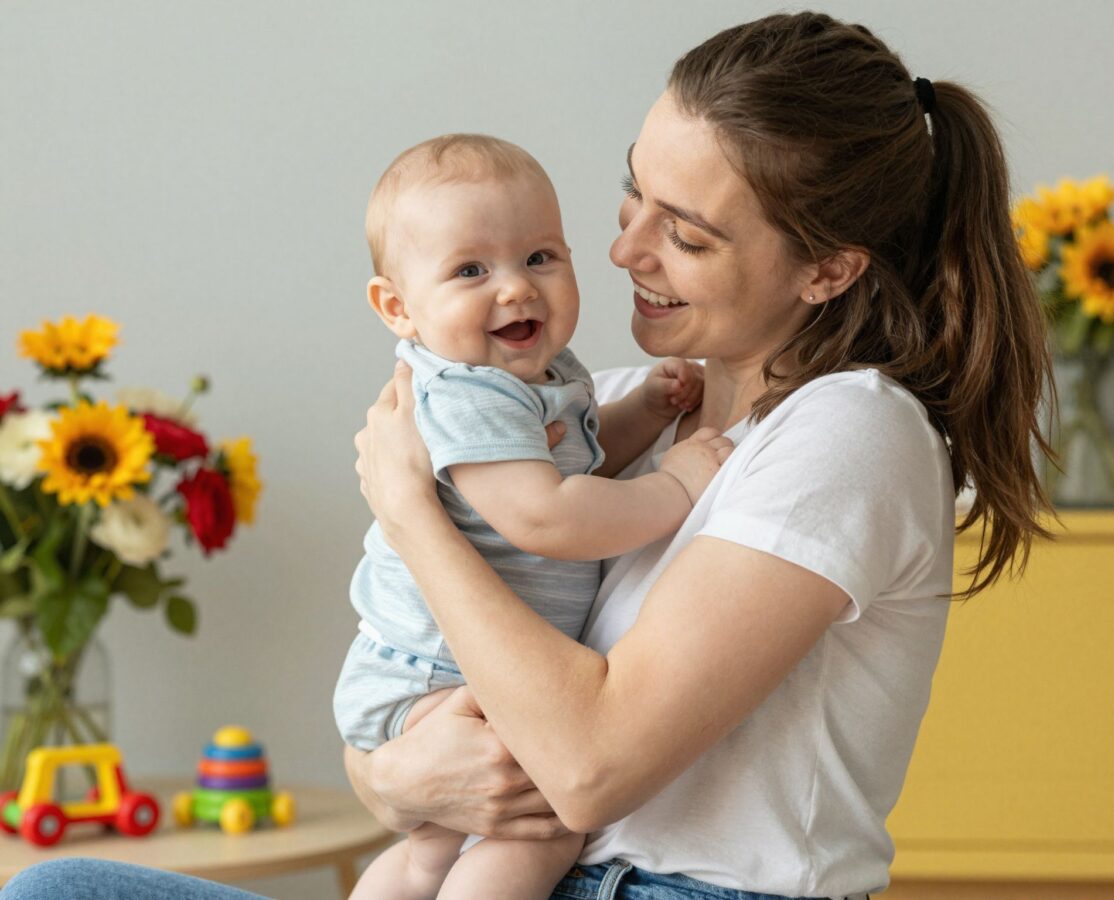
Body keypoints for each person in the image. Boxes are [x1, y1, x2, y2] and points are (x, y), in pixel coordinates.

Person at [0, 10, 1052, 900]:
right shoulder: (608, 402)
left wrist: (410, 510)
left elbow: (587, 769)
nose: (624, 249)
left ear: (827, 271)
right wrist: (396, 779)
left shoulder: (848, 433)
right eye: (633, 194)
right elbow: (408, 743)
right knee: (59, 889)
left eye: (687, 236)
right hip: (519, 871)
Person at [335, 133, 728, 900]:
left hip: (437, 666)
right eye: (471, 270)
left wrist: (643, 413)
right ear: (397, 307)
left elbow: (574, 471)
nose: (516, 288)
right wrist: (676, 486)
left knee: (429, 854)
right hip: (441, 668)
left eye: (540, 257)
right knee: (542, 830)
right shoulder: (468, 394)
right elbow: (547, 517)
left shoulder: (540, 378)